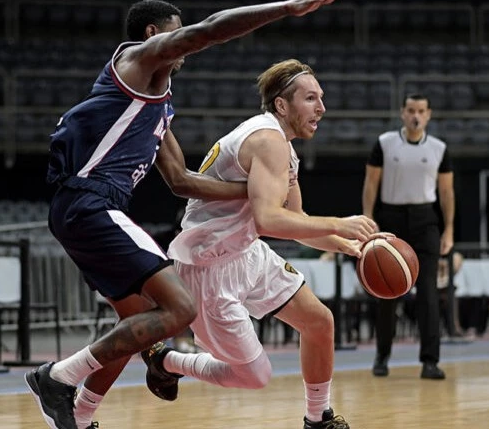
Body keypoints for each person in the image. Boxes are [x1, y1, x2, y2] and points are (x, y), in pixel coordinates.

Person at [24, 0, 339, 429]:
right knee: (180, 309)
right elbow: (208, 29)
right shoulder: (134, 60)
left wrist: (252, 192)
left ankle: (78, 417)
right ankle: (58, 376)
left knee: (140, 323)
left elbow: (180, 180)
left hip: (93, 210)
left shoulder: (157, 105)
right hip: (90, 203)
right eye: (178, 34)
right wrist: (286, 8)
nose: (186, 47)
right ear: (156, 35)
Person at [141, 59, 376, 429]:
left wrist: (346, 243)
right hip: (208, 268)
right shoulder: (267, 140)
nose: (322, 108)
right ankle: (166, 361)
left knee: (319, 322)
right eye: (311, 98)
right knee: (254, 376)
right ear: (282, 105)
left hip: (246, 253)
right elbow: (269, 220)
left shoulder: (282, 146)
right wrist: (341, 223)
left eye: (322, 98)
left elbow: (295, 223)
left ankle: (319, 418)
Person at [361, 93, 454, 380]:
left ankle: (430, 361)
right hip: (391, 217)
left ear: (429, 115)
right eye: (411, 110)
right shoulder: (385, 143)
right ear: (402, 113)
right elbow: (371, 183)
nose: (416, 115)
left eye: (421, 111)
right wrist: (368, 221)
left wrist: (448, 228)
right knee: (387, 290)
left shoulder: (439, 148)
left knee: (428, 292)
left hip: (426, 220)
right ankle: (382, 355)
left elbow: (447, 192)